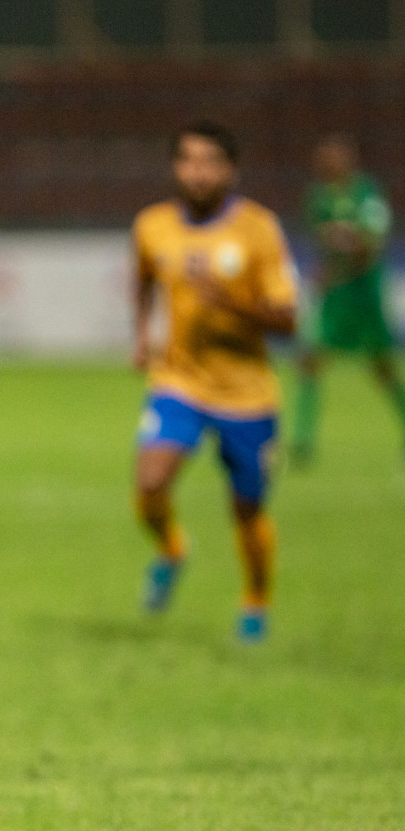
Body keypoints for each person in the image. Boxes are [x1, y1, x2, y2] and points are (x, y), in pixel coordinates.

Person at [131, 121, 297, 642]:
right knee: (151, 482)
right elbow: (142, 278)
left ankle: (255, 603)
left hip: (247, 394)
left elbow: (288, 320)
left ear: (230, 170)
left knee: (247, 508)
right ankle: (173, 548)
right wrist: (141, 332)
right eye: (187, 160)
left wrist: (231, 303)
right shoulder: (153, 225)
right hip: (179, 380)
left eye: (209, 162)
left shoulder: (258, 230)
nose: (196, 172)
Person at [290, 134, 405, 464]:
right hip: (336, 298)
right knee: (310, 362)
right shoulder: (318, 197)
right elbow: (321, 241)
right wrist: (325, 268)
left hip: (364, 296)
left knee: (383, 369)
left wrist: (345, 241)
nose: (328, 164)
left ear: (348, 160)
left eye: (335, 158)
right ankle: (302, 440)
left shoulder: (366, 193)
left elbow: (371, 245)